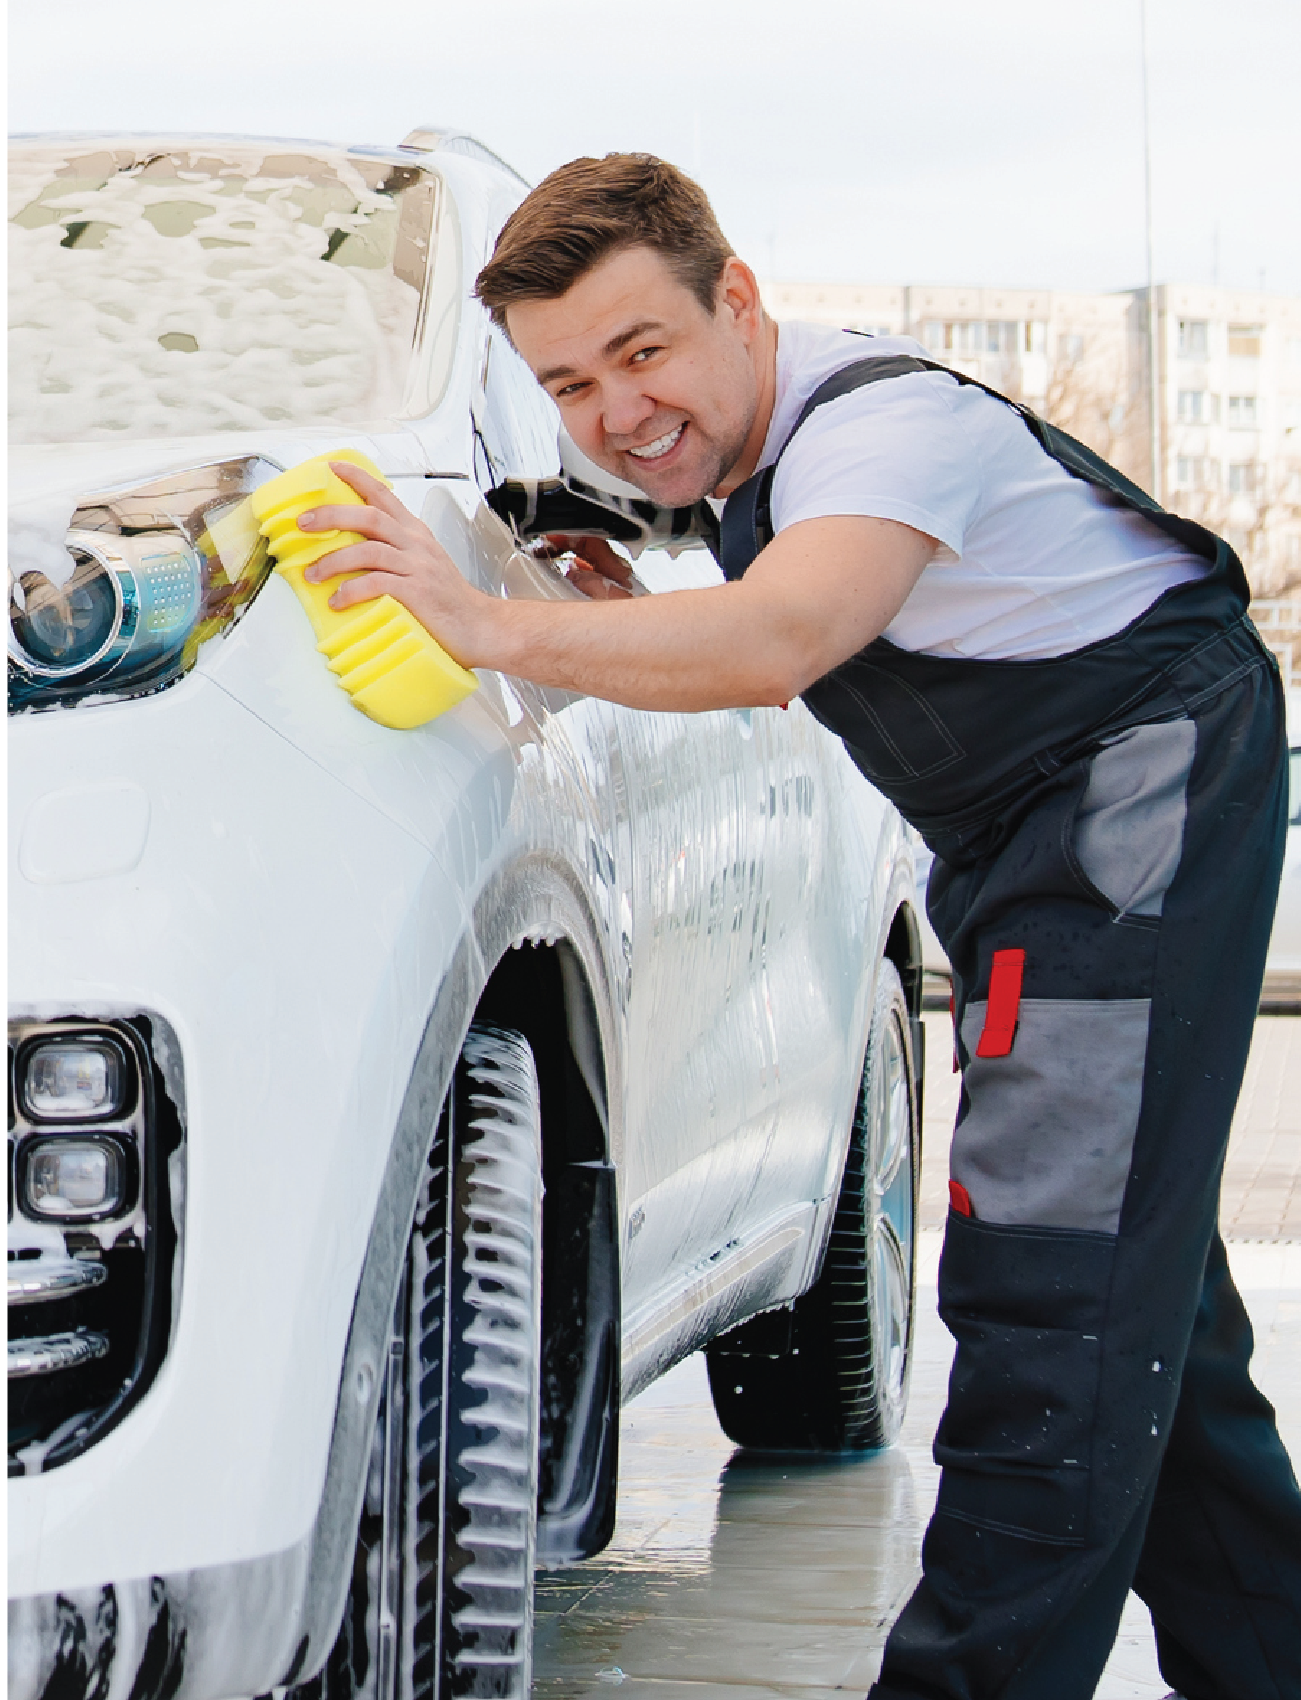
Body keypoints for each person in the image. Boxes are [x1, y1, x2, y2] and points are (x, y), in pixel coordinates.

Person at [294, 154, 1301, 1699]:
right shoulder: (760, 477)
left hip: (1131, 813)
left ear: (738, 301)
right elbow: (767, 597)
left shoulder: (892, 429)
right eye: (570, 384)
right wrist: (620, 600)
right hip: (1046, 842)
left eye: (644, 352)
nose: (618, 412)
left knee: (1053, 1299)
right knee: (1144, 1304)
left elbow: (785, 638)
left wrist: (485, 621)